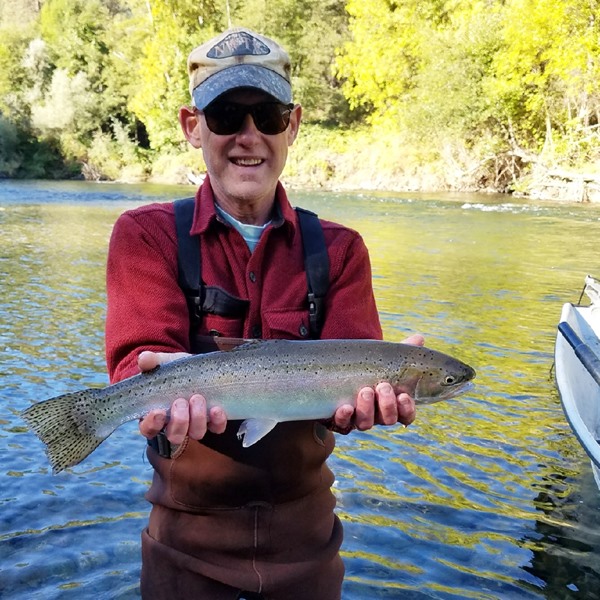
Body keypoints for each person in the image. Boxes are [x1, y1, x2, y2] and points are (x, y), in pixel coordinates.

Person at [105, 27, 422, 600]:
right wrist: (148, 393)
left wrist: (363, 408)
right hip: (184, 558)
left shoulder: (342, 250)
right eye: (226, 114)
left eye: (268, 116)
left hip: (308, 558)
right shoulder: (144, 235)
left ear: (293, 125)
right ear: (191, 126)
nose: (248, 136)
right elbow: (135, 361)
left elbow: (348, 397)